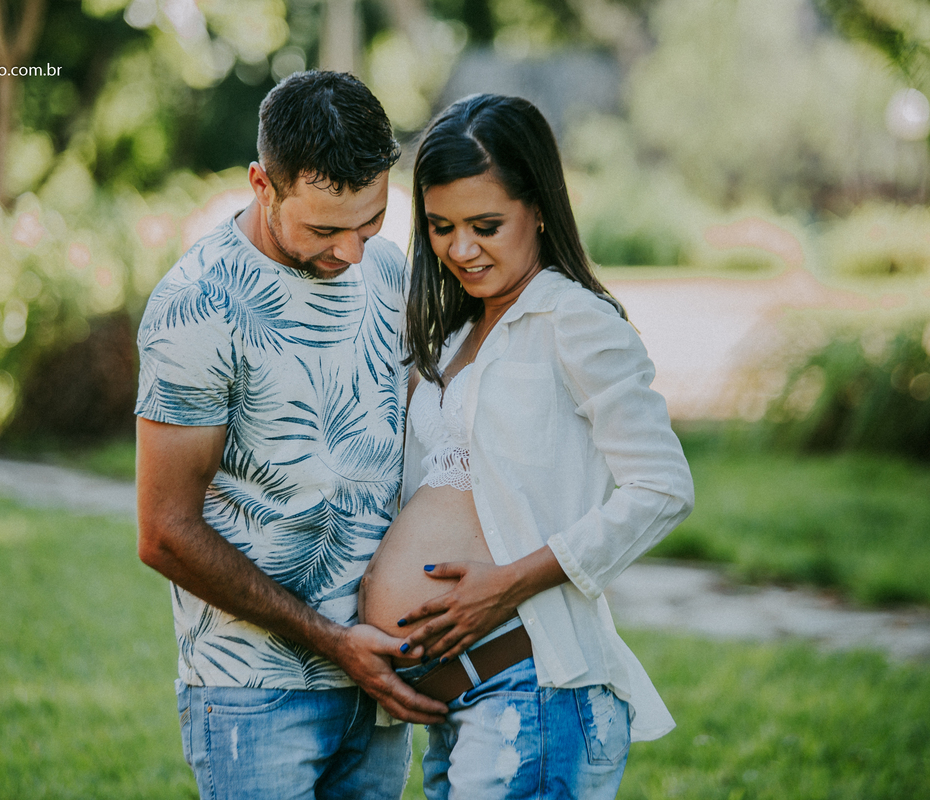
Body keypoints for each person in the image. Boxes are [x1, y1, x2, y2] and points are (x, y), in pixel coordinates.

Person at [358, 93, 695, 799]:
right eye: (441, 227)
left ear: (538, 207)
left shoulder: (575, 323)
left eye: (486, 225)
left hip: (532, 695)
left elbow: (662, 488)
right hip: (461, 709)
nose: (461, 248)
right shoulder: (450, 337)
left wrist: (509, 583)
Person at [133, 70, 447, 800]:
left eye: (370, 224)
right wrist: (335, 643)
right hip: (254, 694)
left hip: (377, 687)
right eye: (324, 230)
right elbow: (164, 531)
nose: (351, 255)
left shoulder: (388, 275)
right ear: (260, 184)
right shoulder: (199, 306)